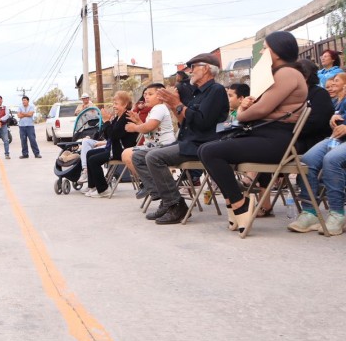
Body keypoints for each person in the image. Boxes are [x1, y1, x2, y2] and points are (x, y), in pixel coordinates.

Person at [198, 31, 307, 234]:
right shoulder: (279, 74)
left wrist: (243, 112)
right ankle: (235, 201)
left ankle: (239, 203)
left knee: (211, 152)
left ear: (276, 51)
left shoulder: (287, 73)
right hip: (266, 135)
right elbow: (251, 110)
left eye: (265, 48)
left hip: (277, 140)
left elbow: (259, 110)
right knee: (206, 149)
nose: (263, 52)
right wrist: (245, 110)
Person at [131, 52, 229, 225]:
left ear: (206, 68)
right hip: (187, 141)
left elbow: (203, 122)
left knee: (154, 157)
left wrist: (176, 104)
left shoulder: (216, 90)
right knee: (138, 156)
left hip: (201, 145)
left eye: (193, 67)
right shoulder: (196, 93)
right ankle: (166, 199)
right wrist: (173, 105)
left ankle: (176, 205)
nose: (190, 71)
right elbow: (185, 122)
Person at [121, 83, 177, 198]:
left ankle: (152, 185)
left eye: (150, 94)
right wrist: (138, 121)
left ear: (160, 96)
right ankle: (151, 184)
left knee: (128, 154)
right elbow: (149, 131)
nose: (146, 97)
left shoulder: (159, 108)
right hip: (154, 145)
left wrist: (135, 127)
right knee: (127, 154)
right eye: (145, 94)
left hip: (164, 146)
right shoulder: (154, 110)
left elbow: (149, 127)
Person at [84, 92, 138, 198]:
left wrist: (107, 121)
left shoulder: (127, 117)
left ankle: (103, 189)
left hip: (122, 151)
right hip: (113, 148)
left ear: (125, 104)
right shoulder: (118, 117)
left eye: (116, 103)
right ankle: (93, 186)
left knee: (93, 160)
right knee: (90, 153)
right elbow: (108, 136)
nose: (114, 106)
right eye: (114, 103)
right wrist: (107, 122)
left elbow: (114, 135)